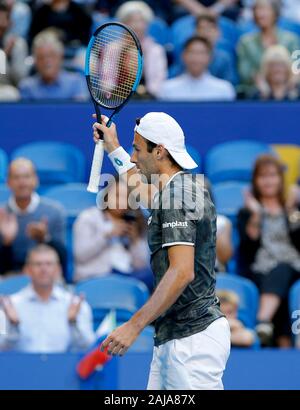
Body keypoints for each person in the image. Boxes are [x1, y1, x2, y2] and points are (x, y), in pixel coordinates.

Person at [92, 112, 231, 389]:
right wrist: (113, 146)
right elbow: (141, 192)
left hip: (193, 341)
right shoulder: (176, 191)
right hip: (176, 337)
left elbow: (181, 272)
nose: (133, 157)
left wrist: (133, 326)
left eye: (137, 149)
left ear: (160, 152)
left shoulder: (178, 195)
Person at [237, 154, 300, 347]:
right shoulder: (247, 212)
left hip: (293, 267)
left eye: (273, 175)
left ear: (281, 179)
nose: (268, 181)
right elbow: (247, 252)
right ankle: (283, 346)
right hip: (260, 270)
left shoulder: (294, 208)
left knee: (283, 270)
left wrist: (292, 212)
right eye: (263, 176)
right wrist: (256, 215)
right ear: (255, 181)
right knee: (277, 279)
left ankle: (263, 320)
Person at [0, 244, 95, 352]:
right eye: (38, 264)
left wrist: (73, 323)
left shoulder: (76, 304)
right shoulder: (8, 306)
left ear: (58, 269)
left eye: (49, 264)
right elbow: (2, 349)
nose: (44, 269)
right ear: (27, 270)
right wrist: (13, 326)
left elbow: (88, 348)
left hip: (63, 367)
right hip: (20, 367)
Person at [73, 176, 152, 290]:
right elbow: (81, 256)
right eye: (117, 196)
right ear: (106, 196)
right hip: (94, 276)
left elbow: (141, 265)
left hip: (125, 277)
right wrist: (107, 235)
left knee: (155, 274)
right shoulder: (88, 217)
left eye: (127, 198)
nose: (121, 202)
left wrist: (134, 240)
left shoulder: (133, 220)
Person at [0, 158, 67, 277]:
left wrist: (45, 239)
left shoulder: (54, 211)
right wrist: (6, 243)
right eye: (16, 177)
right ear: (8, 182)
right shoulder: (2, 214)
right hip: (9, 278)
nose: (22, 182)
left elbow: (62, 261)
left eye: (26, 176)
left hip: (44, 276)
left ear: (36, 180)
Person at [237, 0, 300, 90]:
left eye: (265, 9)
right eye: (257, 10)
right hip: (257, 91)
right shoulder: (246, 42)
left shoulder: (292, 39)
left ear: (275, 13)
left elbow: (297, 66)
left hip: (289, 89)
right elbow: (245, 72)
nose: (260, 14)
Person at [115, 1, 168, 98]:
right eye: (131, 21)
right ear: (123, 23)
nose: (136, 26)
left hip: (149, 99)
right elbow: (106, 84)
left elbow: (158, 82)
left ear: (147, 24)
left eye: (141, 21)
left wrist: (148, 95)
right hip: (117, 99)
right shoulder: (111, 49)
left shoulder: (156, 50)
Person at [158, 36, 236, 101]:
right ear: (183, 56)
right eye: (192, 52)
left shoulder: (224, 89)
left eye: (201, 53)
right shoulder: (167, 89)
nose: (196, 58)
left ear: (210, 57)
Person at [19, 31, 88, 100]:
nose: (46, 61)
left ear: (60, 57)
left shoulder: (76, 82)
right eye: (41, 57)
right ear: (35, 61)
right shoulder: (27, 87)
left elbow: (80, 110)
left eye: (51, 55)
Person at [195, 13, 236, 84]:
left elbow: (230, 82)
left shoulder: (224, 57)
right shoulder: (188, 54)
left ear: (218, 32)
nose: (206, 33)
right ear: (195, 32)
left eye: (210, 28)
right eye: (201, 28)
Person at [0, 1, 28, 87]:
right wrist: (5, 53)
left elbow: (20, 80)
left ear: (10, 23)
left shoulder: (17, 44)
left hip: (9, 90)